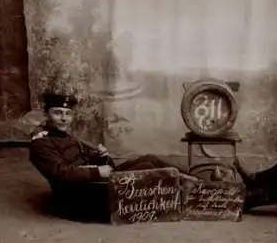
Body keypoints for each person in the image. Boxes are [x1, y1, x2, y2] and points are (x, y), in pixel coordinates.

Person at [29, 91, 187, 222]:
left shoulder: (67, 137)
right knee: (146, 170)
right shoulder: (41, 142)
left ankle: (195, 184)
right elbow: (59, 173)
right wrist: (97, 172)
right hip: (79, 199)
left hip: (94, 183)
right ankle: (187, 196)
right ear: (46, 114)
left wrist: (100, 157)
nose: (64, 118)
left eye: (68, 114)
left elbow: (95, 163)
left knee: (150, 159)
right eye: (57, 113)